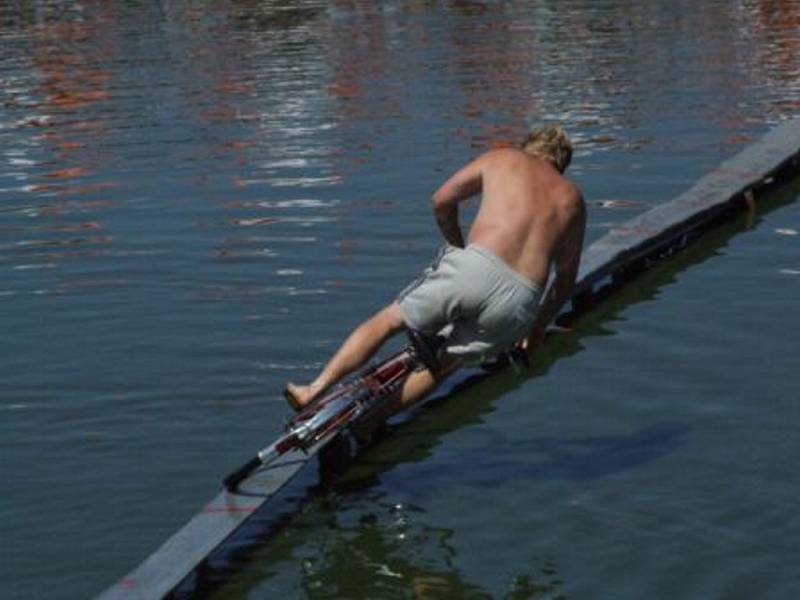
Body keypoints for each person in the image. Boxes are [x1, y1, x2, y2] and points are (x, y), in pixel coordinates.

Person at [285, 125, 586, 416]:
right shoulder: (573, 200)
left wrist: (456, 245)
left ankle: (313, 389)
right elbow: (565, 281)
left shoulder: (505, 157)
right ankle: (373, 423)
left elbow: (441, 199)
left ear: (530, 146)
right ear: (562, 164)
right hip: (521, 299)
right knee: (445, 363)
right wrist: (535, 330)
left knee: (388, 321)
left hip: (476, 267)